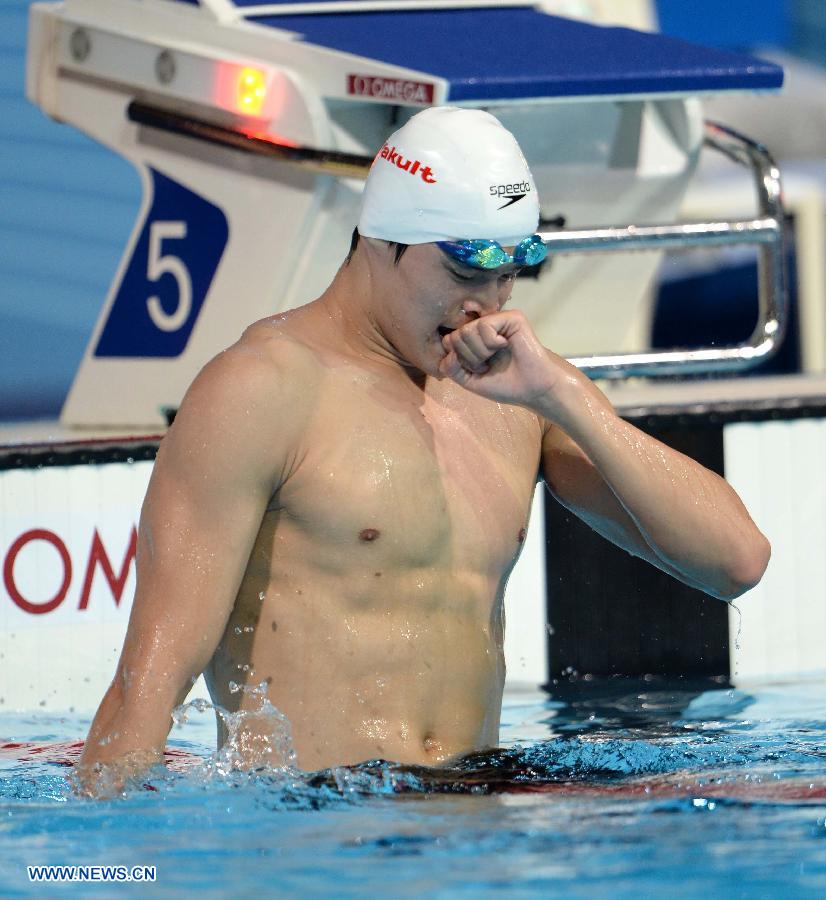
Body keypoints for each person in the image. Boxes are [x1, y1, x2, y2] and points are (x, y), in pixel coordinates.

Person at [76, 107, 770, 794]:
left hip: (474, 826)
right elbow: (147, 688)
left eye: (508, 274)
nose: (488, 305)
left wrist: (564, 396)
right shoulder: (261, 391)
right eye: (464, 272)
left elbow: (736, 560)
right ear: (383, 241)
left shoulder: (520, 394)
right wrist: (99, 872)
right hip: (316, 837)